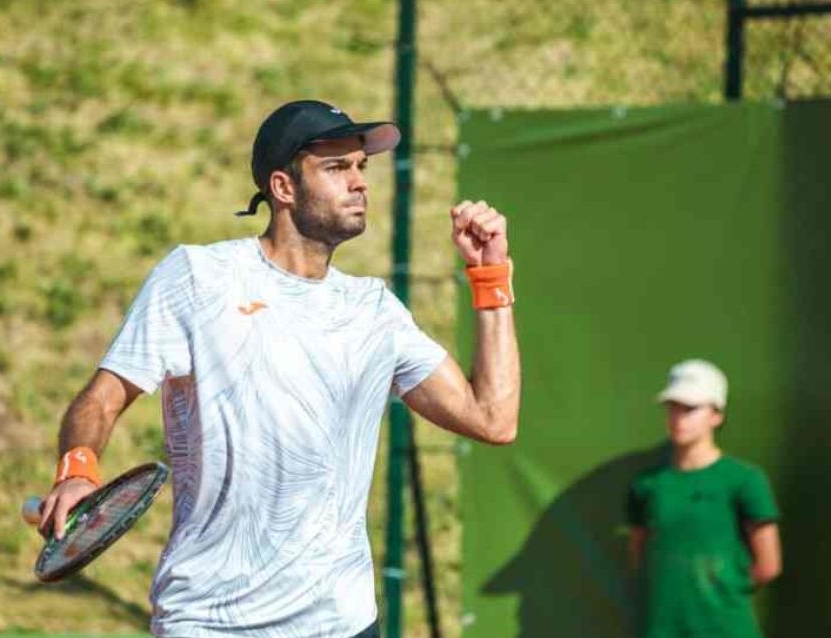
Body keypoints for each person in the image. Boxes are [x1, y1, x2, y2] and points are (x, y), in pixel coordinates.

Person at [36, 99, 521, 638]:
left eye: (361, 166)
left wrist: (491, 276)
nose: (359, 183)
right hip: (210, 622)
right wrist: (77, 470)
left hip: (342, 625)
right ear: (283, 188)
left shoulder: (375, 312)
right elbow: (102, 398)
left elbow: (493, 418)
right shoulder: (198, 277)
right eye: (336, 167)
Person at [626, 359, 782, 638]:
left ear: (716, 415)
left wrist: (720, 592)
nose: (678, 418)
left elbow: (768, 565)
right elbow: (640, 555)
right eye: (673, 407)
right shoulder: (646, 485)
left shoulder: (745, 480)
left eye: (690, 409)